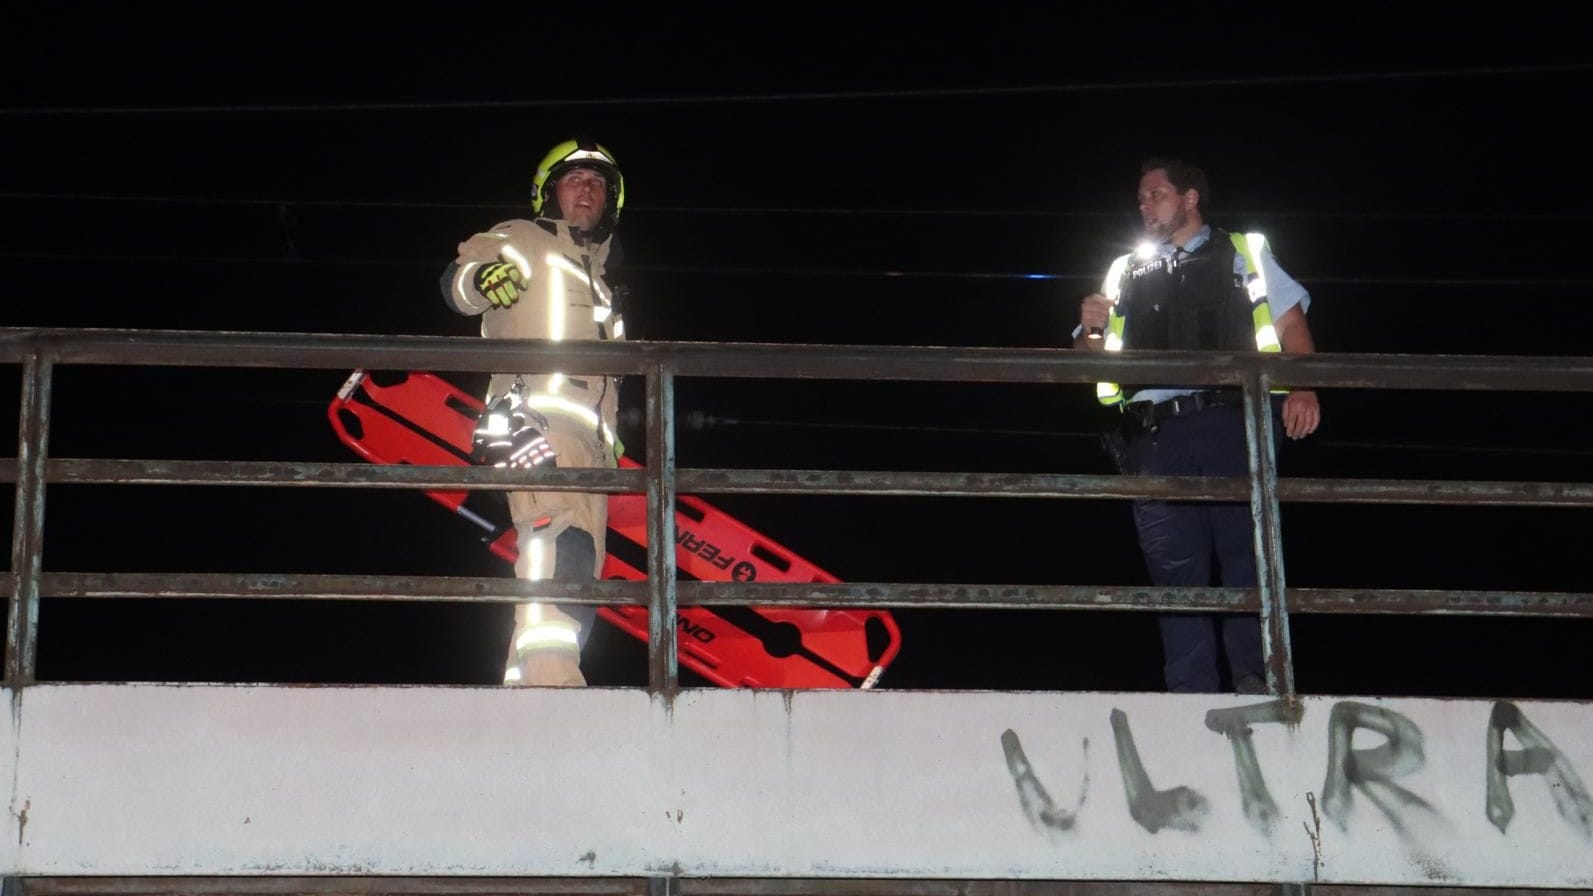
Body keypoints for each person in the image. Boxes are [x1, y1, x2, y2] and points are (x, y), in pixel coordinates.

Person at [1074, 158, 1320, 694]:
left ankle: (1254, 680)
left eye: (1155, 194)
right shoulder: (1124, 270)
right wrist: (1089, 331)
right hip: (1156, 435)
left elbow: (1291, 322)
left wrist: (1303, 386)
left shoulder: (1243, 252)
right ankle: (1188, 691)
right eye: (1140, 198)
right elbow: (1087, 358)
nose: (1144, 205)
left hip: (1234, 422)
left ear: (1189, 199)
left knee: (1244, 555)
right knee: (1173, 571)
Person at [441, 138, 627, 687]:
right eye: (573, 180)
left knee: (582, 568)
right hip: (535, 420)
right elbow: (460, 280)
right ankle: (550, 683)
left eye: (597, 182)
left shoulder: (603, 283)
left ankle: (524, 684)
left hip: (590, 446)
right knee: (556, 540)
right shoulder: (524, 239)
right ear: (549, 193)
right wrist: (482, 282)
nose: (586, 189)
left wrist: (611, 442)